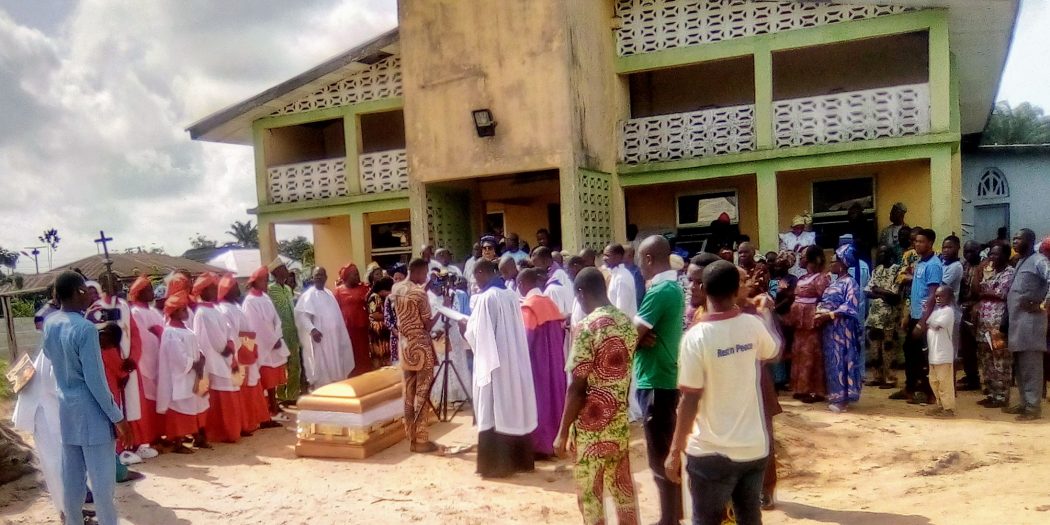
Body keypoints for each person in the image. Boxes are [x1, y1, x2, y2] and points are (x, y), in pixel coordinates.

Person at [666, 260, 778, 525]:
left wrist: (674, 450)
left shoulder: (696, 338)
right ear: (736, 290)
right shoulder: (752, 325)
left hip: (710, 452)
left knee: (706, 520)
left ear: (703, 289)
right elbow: (772, 352)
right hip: (752, 448)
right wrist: (764, 315)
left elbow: (689, 399)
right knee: (749, 518)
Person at [42, 271, 130, 525]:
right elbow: (95, 381)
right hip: (92, 412)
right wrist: (118, 417)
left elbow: (49, 356)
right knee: (102, 484)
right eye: (84, 290)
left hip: (67, 409)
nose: (88, 295)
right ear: (77, 292)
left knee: (72, 479)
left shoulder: (51, 324)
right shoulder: (85, 328)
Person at [554, 267, 639, 525]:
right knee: (622, 490)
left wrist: (562, 432)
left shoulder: (586, 327)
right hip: (618, 424)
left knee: (590, 496)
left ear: (580, 293)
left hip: (591, 430)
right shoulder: (627, 323)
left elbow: (577, 387)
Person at [465, 259, 538, 477]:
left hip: (494, 365)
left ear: (481, 272)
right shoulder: (511, 294)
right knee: (512, 405)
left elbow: (480, 335)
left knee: (495, 407)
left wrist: (465, 328)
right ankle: (520, 461)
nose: (476, 282)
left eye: (475, 276)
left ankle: (497, 465)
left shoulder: (487, 298)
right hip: (513, 360)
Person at [633, 235, 684, 525]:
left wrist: (636, 338)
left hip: (655, 380)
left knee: (659, 456)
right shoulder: (672, 288)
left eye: (640, 260)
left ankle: (668, 519)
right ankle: (673, 514)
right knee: (665, 450)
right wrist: (639, 337)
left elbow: (631, 336)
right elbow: (638, 334)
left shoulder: (660, 291)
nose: (639, 267)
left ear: (649, 259)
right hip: (663, 377)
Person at [12, 299, 64, 516]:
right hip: (43, 412)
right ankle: (67, 513)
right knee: (56, 464)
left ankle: (70, 509)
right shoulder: (55, 345)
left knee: (59, 462)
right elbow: (55, 385)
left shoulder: (52, 342)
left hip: (45, 408)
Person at [390, 258, 440, 453]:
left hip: (405, 346)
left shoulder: (396, 288)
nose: (426, 277)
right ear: (418, 272)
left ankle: (410, 436)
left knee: (408, 393)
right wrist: (442, 309)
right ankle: (421, 439)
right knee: (422, 393)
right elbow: (427, 324)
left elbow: (409, 305)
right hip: (421, 347)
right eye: (425, 273)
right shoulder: (420, 294)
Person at [517, 268, 566, 459]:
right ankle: (555, 442)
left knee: (540, 402)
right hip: (555, 361)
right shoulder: (550, 303)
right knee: (555, 399)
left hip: (537, 365)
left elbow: (526, 340)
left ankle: (540, 446)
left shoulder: (529, 307)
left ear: (521, 284)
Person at [192, 272, 244, 444]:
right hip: (214, 359)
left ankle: (232, 431)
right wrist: (226, 347)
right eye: (212, 288)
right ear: (203, 291)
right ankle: (222, 433)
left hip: (226, 356)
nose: (216, 290)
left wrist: (230, 343)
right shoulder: (202, 312)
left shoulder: (214, 309)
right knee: (220, 396)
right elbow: (216, 340)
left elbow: (228, 330)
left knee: (230, 392)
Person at [1004, 229, 1050, 420]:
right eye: (1013, 238)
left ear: (1030, 241)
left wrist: (1043, 304)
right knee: (1021, 365)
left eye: (1019, 238)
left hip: (1031, 322)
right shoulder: (1021, 261)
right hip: (1017, 322)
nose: (1014, 241)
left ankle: (1033, 407)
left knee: (1031, 365)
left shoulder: (1039, 260)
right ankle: (1024, 402)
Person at [156, 291, 209, 451]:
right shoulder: (170, 332)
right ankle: (178, 442)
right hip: (179, 377)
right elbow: (178, 358)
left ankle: (197, 437)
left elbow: (196, 346)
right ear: (174, 312)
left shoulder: (185, 329)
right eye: (183, 309)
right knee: (179, 408)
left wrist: (201, 357)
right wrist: (194, 364)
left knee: (197, 405)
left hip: (193, 374)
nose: (187, 312)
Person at [216, 274, 268, 434]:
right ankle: (245, 423)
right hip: (240, 352)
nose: (238, 289)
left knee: (252, 384)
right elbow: (231, 335)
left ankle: (255, 420)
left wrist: (252, 347)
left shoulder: (236, 306)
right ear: (227, 291)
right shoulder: (224, 310)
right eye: (234, 287)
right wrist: (243, 349)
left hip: (248, 349)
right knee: (242, 387)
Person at [816, 244, 865, 413]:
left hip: (843, 329)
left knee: (842, 361)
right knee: (832, 361)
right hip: (830, 329)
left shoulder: (851, 283)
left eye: (833, 261)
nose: (830, 264)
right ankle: (835, 395)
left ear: (842, 264)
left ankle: (843, 399)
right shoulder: (834, 282)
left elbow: (850, 306)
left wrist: (829, 315)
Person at [896, 228, 942, 405]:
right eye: (916, 241)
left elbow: (932, 295)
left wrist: (922, 322)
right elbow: (915, 292)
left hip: (926, 317)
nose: (917, 244)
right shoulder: (920, 263)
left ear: (930, 243)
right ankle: (910, 387)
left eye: (921, 241)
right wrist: (908, 315)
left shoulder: (933, 265)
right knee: (910, 351)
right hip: (915, 314)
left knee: (924, 356)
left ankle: (927, 392)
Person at [242, 266, 290, 421]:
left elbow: (276, 319)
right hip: (262, 344)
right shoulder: (250, 301)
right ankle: (269, 408)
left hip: (272, 340)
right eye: (264, 280)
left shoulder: (265, 297)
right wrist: (271, 340)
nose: (267, 283)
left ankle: (273, 405)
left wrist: (277, 335)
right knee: (265, 377)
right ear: (256, 282)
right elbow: (256, 325)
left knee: (273, 378)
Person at [295, 267, 354, 390]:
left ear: (326, 278)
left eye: (321, 275)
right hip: (320, 340)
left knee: (336, 366)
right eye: (316, 275)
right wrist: (312, 330)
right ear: (312, 277)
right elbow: (302, 316)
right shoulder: (308, 295)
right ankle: (322, 391)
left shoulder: (329, 294)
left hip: (334, 340)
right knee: (322, 369)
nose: (319, 277)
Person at [973, 243, 1015, 408]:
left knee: (1000, 360)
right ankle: (991, 393)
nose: (992, 257)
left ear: (1006, 256)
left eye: (996, 254)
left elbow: (1001, 293)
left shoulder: (1009, 273)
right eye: (991, 254)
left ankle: (1001, 396)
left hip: (998, 324)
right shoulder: (988, 271)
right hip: (983, 322)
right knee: (986, 360)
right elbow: (977, 289)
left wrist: (985, 291)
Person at [788, 245, 831, 403]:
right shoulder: (802, 278)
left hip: (811, 321)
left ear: (812, 259)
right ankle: (801, 388)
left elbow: (825, 300)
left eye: (804, 255)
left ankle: (815, 391)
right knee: (798, 353)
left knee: (812, 354)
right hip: (799, 323)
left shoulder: (821, 278)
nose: (800, 258)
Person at [127, 275, 163, 455]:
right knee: (147, 401)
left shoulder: (154, 312)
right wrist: (157, 334)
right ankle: (150, 437)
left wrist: (161, 333)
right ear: (139, 293)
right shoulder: (135, 312)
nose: (152, 292)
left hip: (159, 357)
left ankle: (160, 434)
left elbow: (162, 329)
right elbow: (142, 337)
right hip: (145, 361)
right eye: (148, 290)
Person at [865, 246, 902, 388]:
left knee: (888, 348)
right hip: (874, 316)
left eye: (884, 252)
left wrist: (878, 290)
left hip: (890, 316)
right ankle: (877, 377)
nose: (880, 255)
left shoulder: (897, 270)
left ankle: (891, 379)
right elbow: (868, 291)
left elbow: (895, 295)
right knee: (875, 349)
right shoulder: (876, 270)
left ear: (890, 254)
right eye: (879, 252)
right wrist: (884, 293)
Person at [268, 261, 303, 402]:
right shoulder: (270, 290)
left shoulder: (288, 289)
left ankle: (293, 394)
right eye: (283, 268)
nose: (286, 270)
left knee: (295, 365)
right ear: (276, 272)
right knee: (282, 366)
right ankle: (281, 396)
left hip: (292, 333)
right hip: (280, 334)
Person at [335, 263, 374, 377]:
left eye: (358, 273)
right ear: (347, 276)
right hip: (347, 330)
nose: (358, 276)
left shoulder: (365, 288)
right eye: (355, 274)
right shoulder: (338, 291)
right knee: (350, 355)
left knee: (363, 355)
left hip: (362, 330)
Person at [956, 240, 984, 391]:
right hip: (964, 309)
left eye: (972, 251)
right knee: (967, 347)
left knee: (981, 347)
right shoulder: (963, 265)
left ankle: (985, 379)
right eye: (966, 251)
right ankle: (971, 376)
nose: (968, 254)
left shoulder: (985, 266)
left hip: (980, 310)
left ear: (979, 250)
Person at [926, 286, 957, 417]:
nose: (938, 298)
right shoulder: (936, 311)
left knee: (945, 383)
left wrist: (931, 323)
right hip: (933, 354)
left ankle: (948, 408)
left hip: (944, 354)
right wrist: (931, 323)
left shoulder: (948, 311)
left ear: (949, 298)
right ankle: (940, 405)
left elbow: (936, 324)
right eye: (936, 296)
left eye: (941, 296)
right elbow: (929, 322)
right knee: (934, 382)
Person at [533, 246, 575, 317]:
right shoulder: (549, 275)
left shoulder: (558, 276)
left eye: (536, 264)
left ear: (546, 261)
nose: (535, 268)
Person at [602, 243, 638, 318]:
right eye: (604, 255)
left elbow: (622, 311)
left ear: (618, 257)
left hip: (623, 323)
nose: (604, 258)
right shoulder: (615, 275)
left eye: (607, 255)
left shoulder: (622, 278)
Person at [366, 277, 395, 368]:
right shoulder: (374, 297)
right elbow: (374, 314)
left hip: (381, 329)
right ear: (383, 290)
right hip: (377, 330)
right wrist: (390, 316)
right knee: (379, 353)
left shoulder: (380, 297)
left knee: (384, 353)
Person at [779, 213, 816, 277]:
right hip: (791, 265)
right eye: (797, 227)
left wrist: (805, 249)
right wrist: (792, 251)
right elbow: (782, 252)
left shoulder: (809, 236)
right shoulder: (786, 237)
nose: (799, 229)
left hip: (805, 264)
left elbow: (815, 250)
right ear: (793, 227)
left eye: (801, 227)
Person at [941, 235, 964, 301]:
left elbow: (941, 285)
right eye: (944, 247)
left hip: (948, 302)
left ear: (958, 248)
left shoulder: (955, 266)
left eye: (949, 247)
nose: (945, 250)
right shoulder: (943, 262)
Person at [623, 245, 645, 309]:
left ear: (629, 255)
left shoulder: (637, 273)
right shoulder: (621, 271)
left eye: (622, 253)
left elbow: (639, 295)